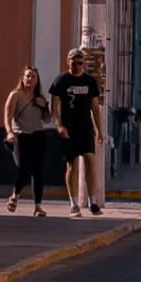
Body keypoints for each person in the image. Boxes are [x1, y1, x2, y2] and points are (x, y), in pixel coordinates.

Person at [50, 49, 105, 217]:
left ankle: (93, 202)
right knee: (72, 165)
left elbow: (95, 107)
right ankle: (74, 204)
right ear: (68, 62)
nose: (77, 66)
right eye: (74, 63)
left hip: (86, 128)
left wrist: (99, 130)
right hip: (69, 128)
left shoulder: (89, 81)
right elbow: (54, 106)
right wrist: (59, 125)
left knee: (90, 160)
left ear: (84, 64)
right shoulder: (61, 80)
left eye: (80, 63)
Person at [3, 67, 54, 215]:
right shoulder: (15, 95)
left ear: (37, 80)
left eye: (33, 77)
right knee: (23, 168)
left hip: (38, 135)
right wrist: (10, 132)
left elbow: (47, 119)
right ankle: (15, 195)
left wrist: (44, 106)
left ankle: (38, 207)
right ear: (22, 78)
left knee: (38, 172)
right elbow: (7, 117)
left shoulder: (39, 97)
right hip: (20, 135)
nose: (30, 79)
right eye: (27, 76)